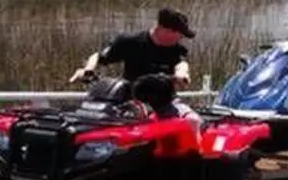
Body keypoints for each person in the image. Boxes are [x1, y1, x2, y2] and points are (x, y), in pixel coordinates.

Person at [69, 7, 200, 126]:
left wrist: (181, 75)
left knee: (193, 121)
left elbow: (182, 65)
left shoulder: (177, 49)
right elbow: (98, 57)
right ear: (164, 29)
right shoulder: (130, 42)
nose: (181, 39)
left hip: (165, 102)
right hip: (131, 102)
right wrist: (88, 70)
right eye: (180, 35)